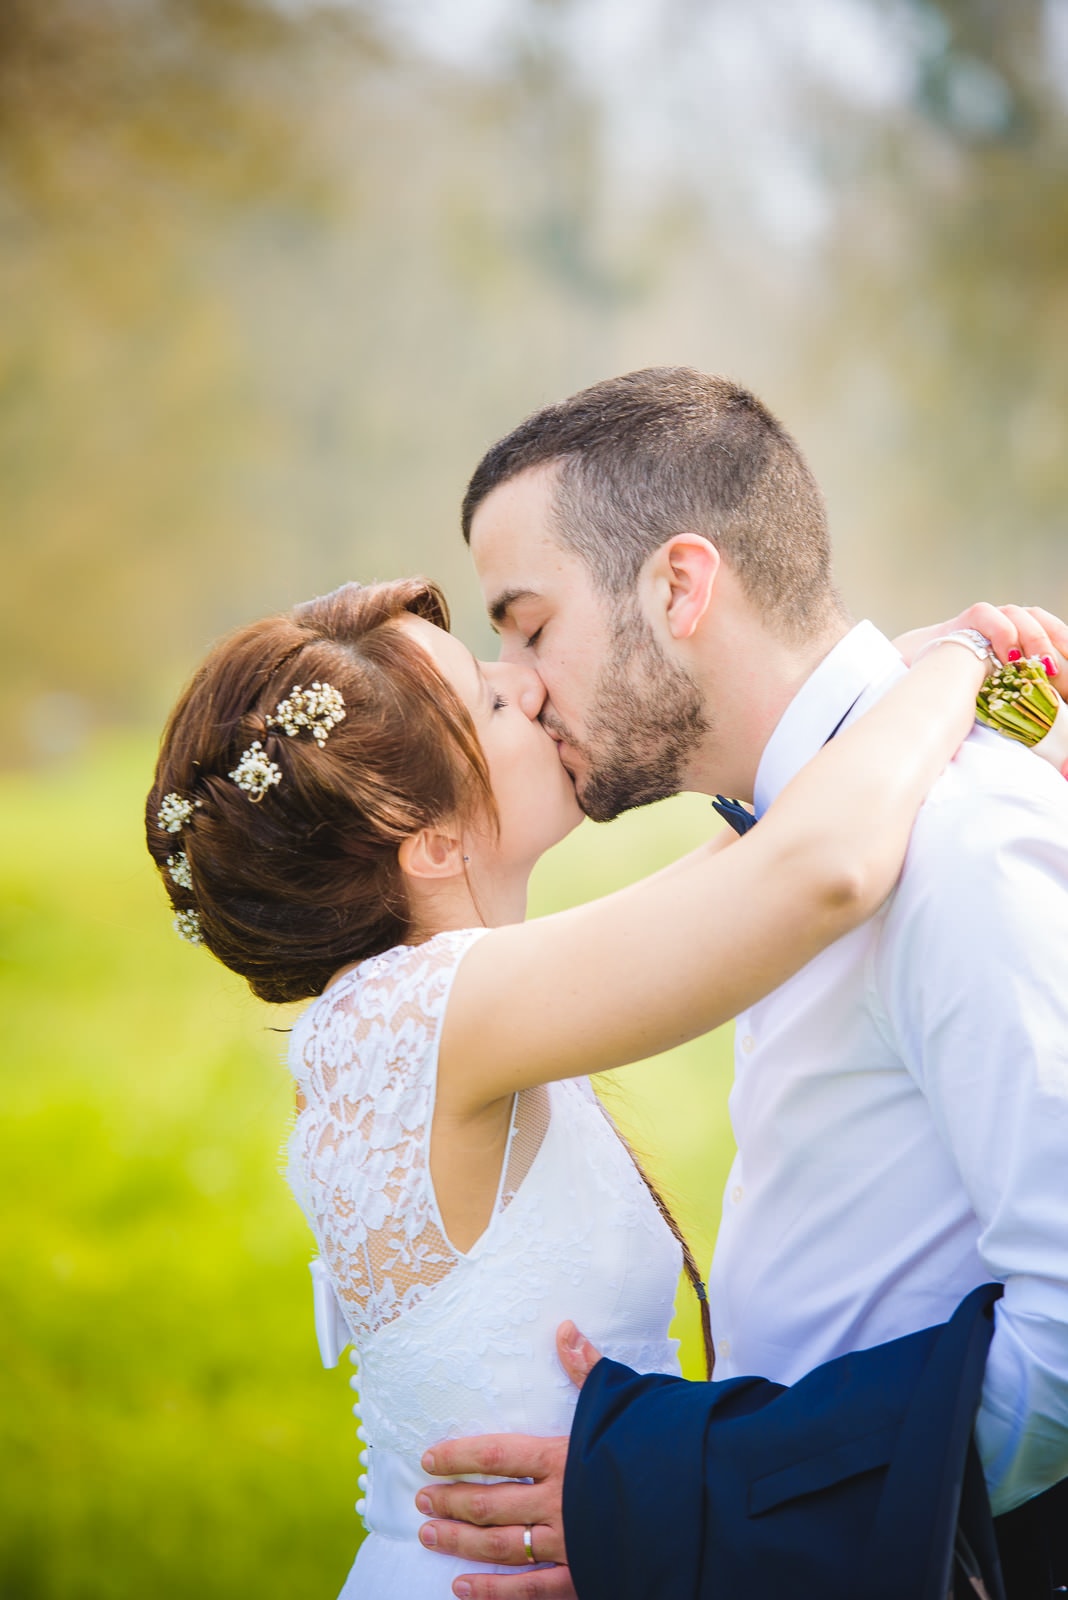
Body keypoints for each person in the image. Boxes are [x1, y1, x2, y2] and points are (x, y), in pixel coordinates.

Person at [146, 575, 1042, 1599]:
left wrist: (875, 687)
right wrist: (956, 664)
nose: (527, 688)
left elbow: (748, 856)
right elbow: (818, 866)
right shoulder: (420, 1014)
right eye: (489, 699)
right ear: (426, 835)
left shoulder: (415, 1008)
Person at [414, 368, 1068, 1600]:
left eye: (531, 624)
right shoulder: (795, 837)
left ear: (678, 585)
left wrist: (703, 1506)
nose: (518, 683)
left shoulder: (965, 841)